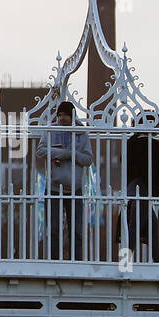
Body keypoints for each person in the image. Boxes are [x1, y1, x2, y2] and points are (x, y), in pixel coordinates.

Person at [35, 101, 94, 260]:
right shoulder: (51, 130)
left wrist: (71, 154)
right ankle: (54, 260)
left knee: (76, 229)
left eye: (65, 115)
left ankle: (77, 261)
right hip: (53, 186)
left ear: (72, 116)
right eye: (59, 115)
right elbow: (40, 151)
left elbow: (88, 159)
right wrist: (62, 153)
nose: (62, 118)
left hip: (75, 188)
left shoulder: (82, 134)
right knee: (53, 228)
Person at [119, 113, 159, 262]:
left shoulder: (131, 142)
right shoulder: (152, 144)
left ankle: (157, 261)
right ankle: (125, 263)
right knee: (135, 227)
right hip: (144, 187)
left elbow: (125, 165)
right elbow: (157, 171)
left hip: (133, 186)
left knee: (150, 226)